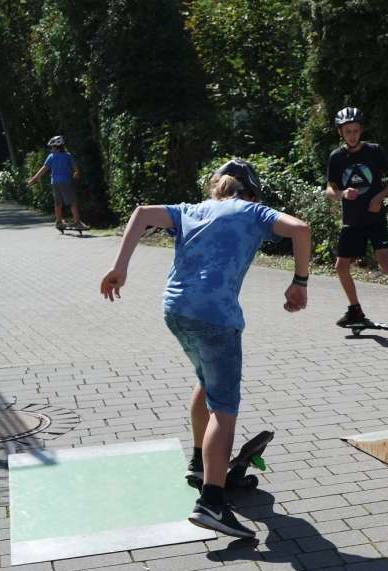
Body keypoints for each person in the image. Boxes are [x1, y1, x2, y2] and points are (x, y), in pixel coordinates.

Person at [99, 159, 311, 538]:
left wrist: (120, 268)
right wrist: (300, 281)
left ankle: (200, 463)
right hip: (216, 317)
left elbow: (142, 213)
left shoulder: (192, 209)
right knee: (224, 407)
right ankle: (212, 502)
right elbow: (301, 229)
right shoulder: (253, 211)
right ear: (250, 191)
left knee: (206, 380)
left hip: (176, 310)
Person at [325, 106, 388, 334]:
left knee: (385, 261)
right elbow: (330, 189)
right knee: (341, 267)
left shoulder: (374, 151)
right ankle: (355, 310)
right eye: (348, 131)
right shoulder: (337, 157)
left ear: (361, 130)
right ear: (340, 132)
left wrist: (379, 196)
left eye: (356, 131)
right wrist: (342, 193)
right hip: (352, 219)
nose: (352, 135)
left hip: (374, 217)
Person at [27, 135, 86, 232]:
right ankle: (77, 222)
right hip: (65, 181)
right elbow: (75, 168)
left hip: (54, 182)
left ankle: (59, 221)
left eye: (52, 147)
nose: (51, 149)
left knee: (58, 203)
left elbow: (44, 169)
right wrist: (76, 173)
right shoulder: (68, 155)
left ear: (57, 147)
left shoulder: (51, 157)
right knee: (72, 202)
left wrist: (34, 179)